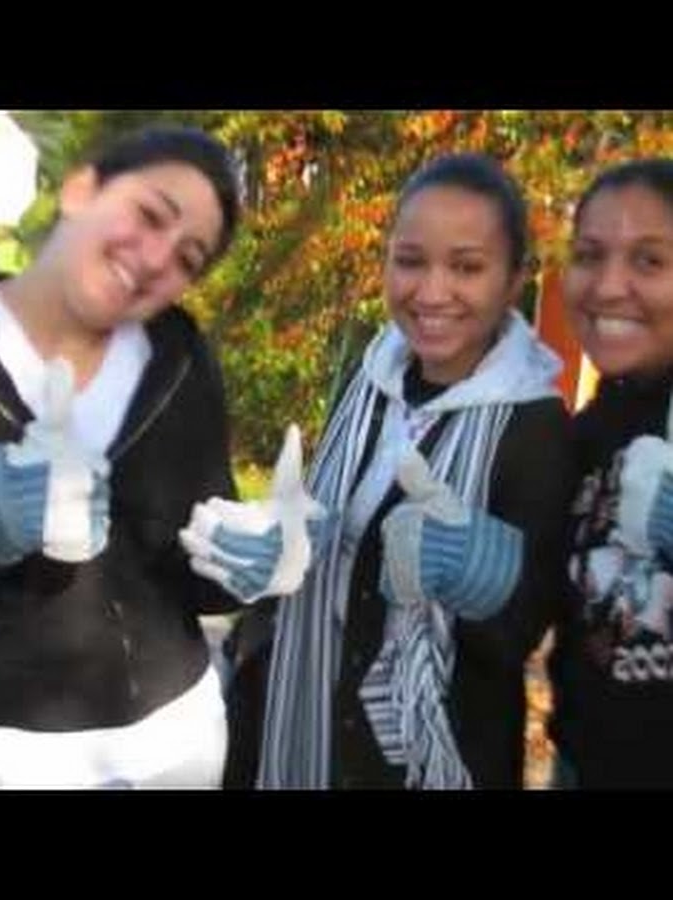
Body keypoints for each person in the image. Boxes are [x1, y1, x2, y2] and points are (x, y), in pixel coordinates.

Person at [0, 124, 250, 789]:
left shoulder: (180, 357)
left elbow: (201, 566)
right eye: (150, 215)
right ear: (80, 189)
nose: (158, 258)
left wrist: (242, 562)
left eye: (188, 258)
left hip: (179, 739)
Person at [218, 152, 577, 789]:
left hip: (429, 757)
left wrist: (475, 570)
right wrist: (275, 546)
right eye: (411, 261)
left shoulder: (537, 424)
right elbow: (330, 532)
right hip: (304, 729)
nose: (431, 292)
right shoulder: (371, 377)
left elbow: (523, 628)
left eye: (467, 267)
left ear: (514, 278)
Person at [547, 158, 673, 789]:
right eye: (589, 256)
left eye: (649, 261)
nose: (608, 285)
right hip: (581, 766)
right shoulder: (586, 431)